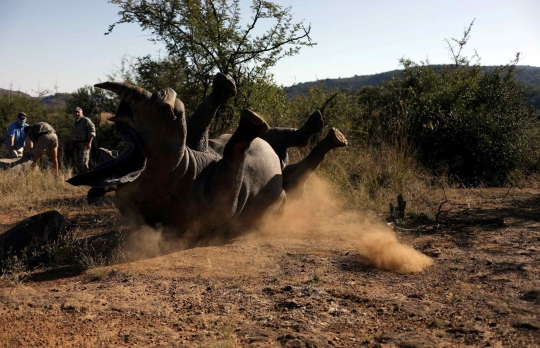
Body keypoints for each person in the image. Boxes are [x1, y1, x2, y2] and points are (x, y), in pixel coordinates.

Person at [71, 106, 96, 173]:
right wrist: (72, 143)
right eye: (75, 112)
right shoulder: (76, 122)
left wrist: (89, 143)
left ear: (81, 112)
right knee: (77, 162)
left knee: (83, 162)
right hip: (76, 144)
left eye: (78, 112)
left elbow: (92, 131)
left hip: (84, 144)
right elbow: (74, 134)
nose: (76, 114)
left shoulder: (86, 120)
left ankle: (86, 177)